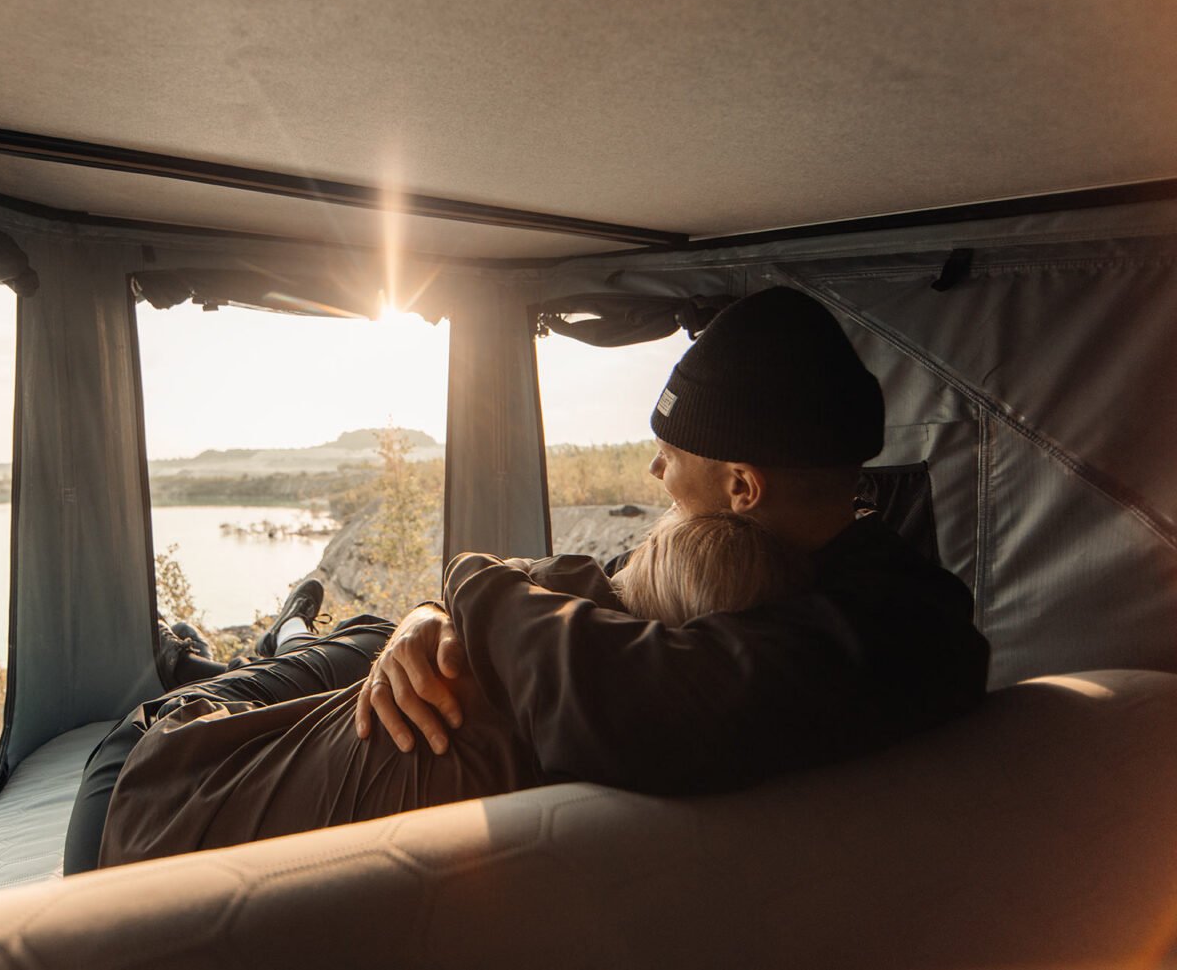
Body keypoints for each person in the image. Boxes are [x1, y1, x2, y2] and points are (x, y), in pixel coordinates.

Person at [354, 287, 990, 797]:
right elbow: (589, 582)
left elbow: (627, 697)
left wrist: (478, 594)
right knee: (353, 644)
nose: (655, 474)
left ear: (742, 486)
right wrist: (436, 610)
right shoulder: (778, 556)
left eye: (669, 455)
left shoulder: (893, 630)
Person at [83, 509, 814, 870]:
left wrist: (440, 610)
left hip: (132, 779)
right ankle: (281, 636)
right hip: (173, 805)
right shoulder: (640, 735)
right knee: (374, 643)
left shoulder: (498, 675)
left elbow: (502, 583)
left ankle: (272, 638)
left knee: (368, 635)